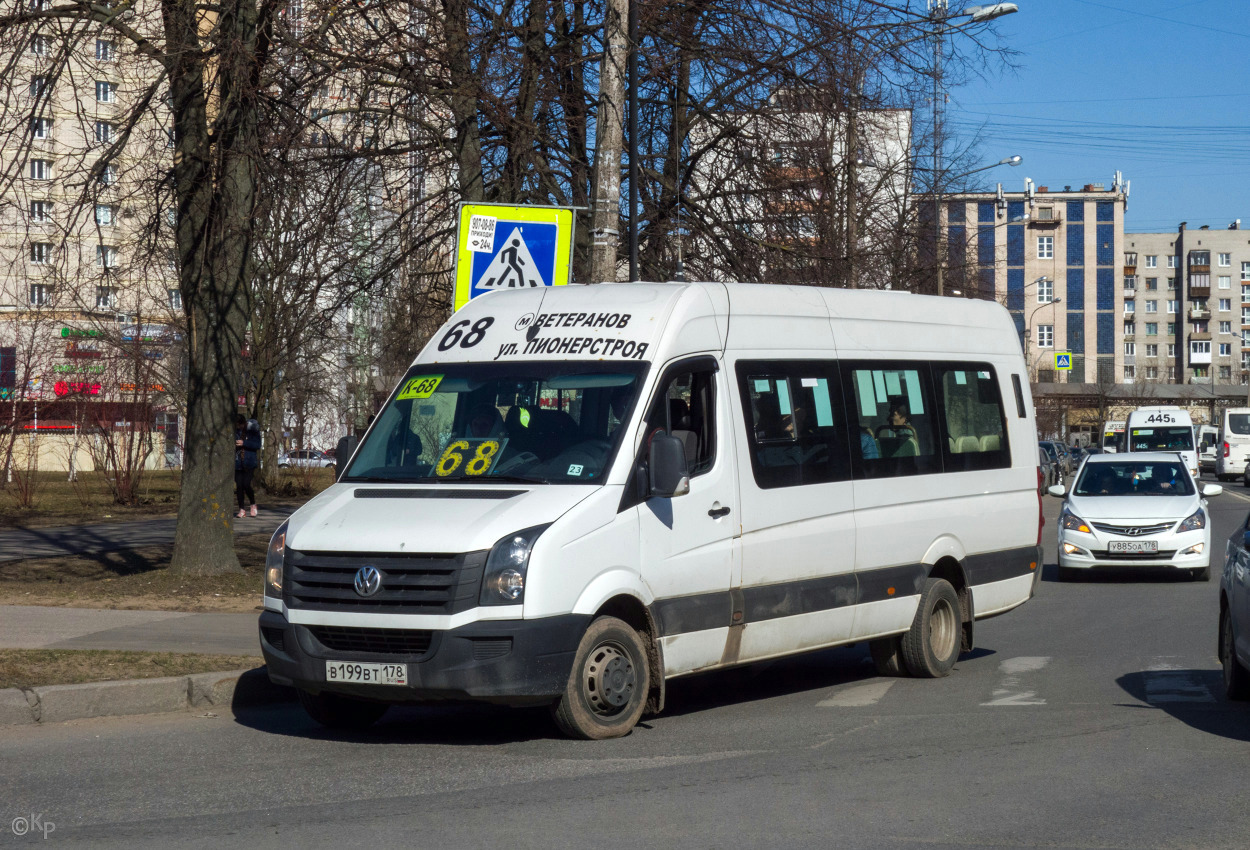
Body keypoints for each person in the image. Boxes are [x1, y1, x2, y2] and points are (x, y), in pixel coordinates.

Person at [234, 414, 261, 518]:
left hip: (249, 462)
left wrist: (244, 443)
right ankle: (241, 509)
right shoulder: (235, 432)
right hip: (237, 462)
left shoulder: (253, 431)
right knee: (239, 486)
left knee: (246, 484)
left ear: (243, 423)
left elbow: (257, 445)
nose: (239, 427)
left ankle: (253, 504)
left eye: (240, 425)